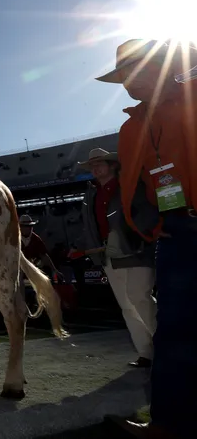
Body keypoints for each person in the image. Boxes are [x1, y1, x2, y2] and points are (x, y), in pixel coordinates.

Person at [97, 39, 197, 439]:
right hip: (175, 233)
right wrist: (153, 224)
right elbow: (134, 186)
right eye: (123, 77)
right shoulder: (130, 127)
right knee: (173, 332)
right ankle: (166, 426)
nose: (126, 85)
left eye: (134, 74)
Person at [71, 147, 157, 368]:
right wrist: (79, 246)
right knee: (127, 306)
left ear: (112, 165)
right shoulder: (90, 194)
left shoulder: (128, 184)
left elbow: (147, 212)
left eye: (100, 163)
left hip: (134, 250)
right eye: (92, 165)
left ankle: (167, 345)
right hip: (108, 255)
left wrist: (131, 236)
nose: (95, 168)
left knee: (139, 296)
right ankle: (146, 353)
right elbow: (89, 226)